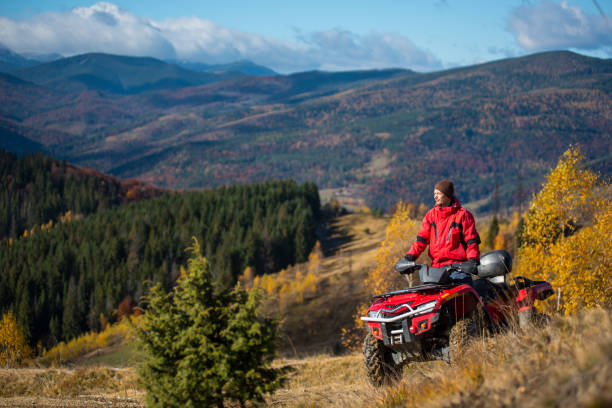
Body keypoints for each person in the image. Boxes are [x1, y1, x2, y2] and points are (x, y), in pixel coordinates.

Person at [404, 180, 481, 276]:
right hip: (436, 270)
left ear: (447, 195)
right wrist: (409, 258)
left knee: (462, 290)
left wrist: (473, 260)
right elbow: (420, 242)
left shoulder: (463, 215)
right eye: (434, 193)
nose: (435, 196)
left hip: (458, 270)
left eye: (438, 193)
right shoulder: (430, 215)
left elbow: (471, 242)